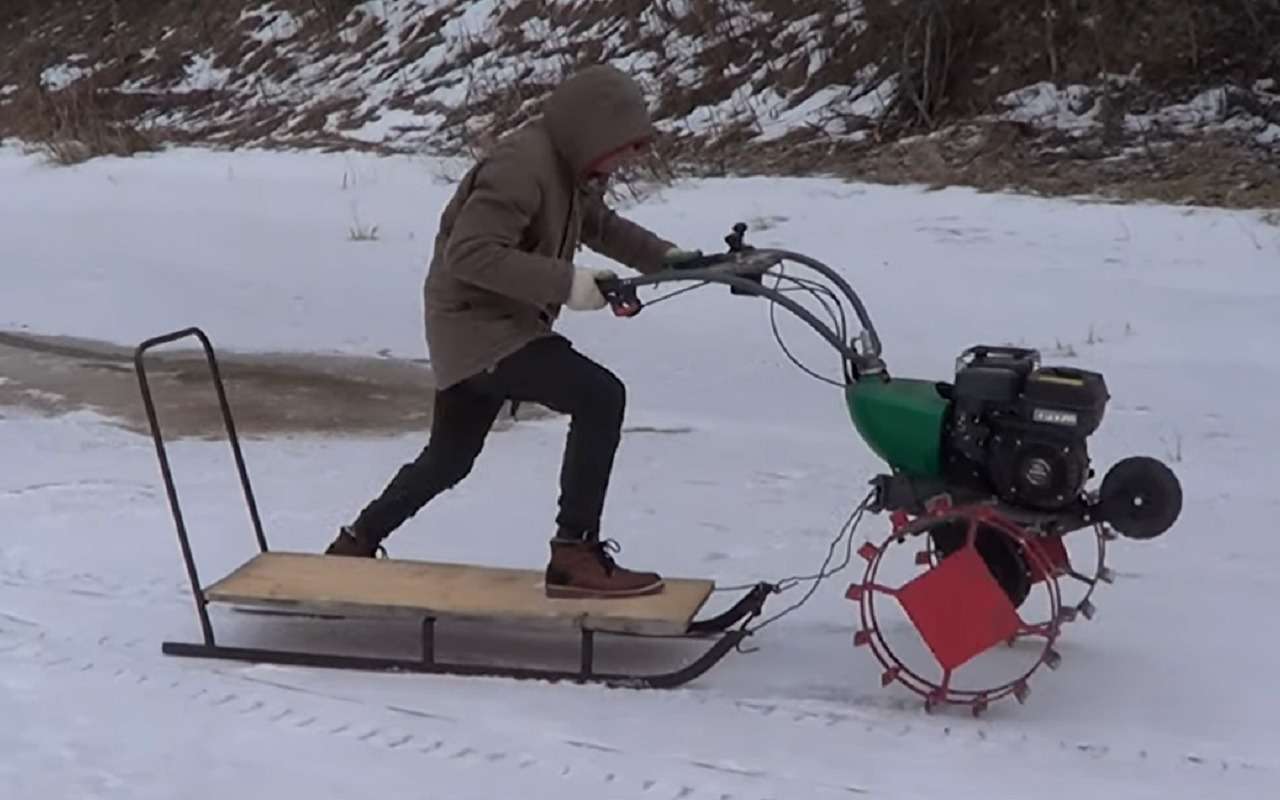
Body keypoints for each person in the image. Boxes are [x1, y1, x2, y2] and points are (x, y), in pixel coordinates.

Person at [323, 64, 698, 599]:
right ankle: (573, 554)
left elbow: (601, 227)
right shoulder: (521, 166)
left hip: (501, 324)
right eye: (625, 147)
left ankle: (356, 542)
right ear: (592, 131)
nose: (629, 161)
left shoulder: (569, 169)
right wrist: (569, 282)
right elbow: (470, 254)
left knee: (448, 459)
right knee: (599, 395)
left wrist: (670, 259)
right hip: (477, 327)